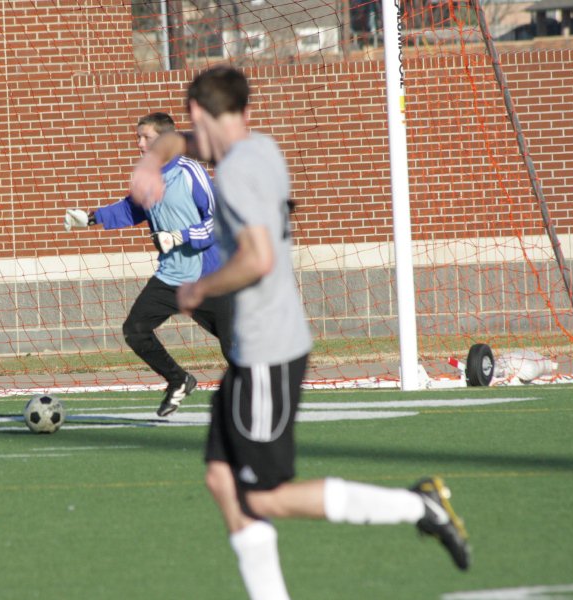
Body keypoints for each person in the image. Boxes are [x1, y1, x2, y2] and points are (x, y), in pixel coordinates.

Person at [129, 67, 470, 600]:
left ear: (198, 114)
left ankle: (418, 506)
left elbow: (259, 259)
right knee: (222, 481)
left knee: (264, 498)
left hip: (268, 352)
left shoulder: (237, 172)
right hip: (262, 349)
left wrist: (200, 289)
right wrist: (151, 161)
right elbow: (179, 141)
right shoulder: (257, 148)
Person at [64, 112, 232, 417]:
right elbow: (132, 208)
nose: (140, 144)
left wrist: (180, 237)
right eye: (138, 137)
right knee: (135, 330)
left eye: (147, 138)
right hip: (171, 276)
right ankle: (179, 379)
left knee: (235, 347)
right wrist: (90, 218)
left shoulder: (189, 172)